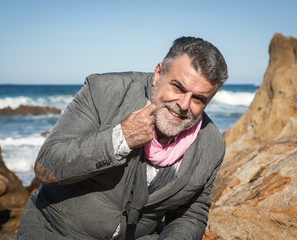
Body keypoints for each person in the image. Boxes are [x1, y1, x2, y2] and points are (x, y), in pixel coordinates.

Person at [17, 36, 228, 240]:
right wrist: (120, 138)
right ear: (158, 73)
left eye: (198, 99)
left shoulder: (212, 145)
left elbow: (191, 214)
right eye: (178, 87)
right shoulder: (102, 91)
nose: (183, 105)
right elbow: (47, 166)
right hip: (56, 231)